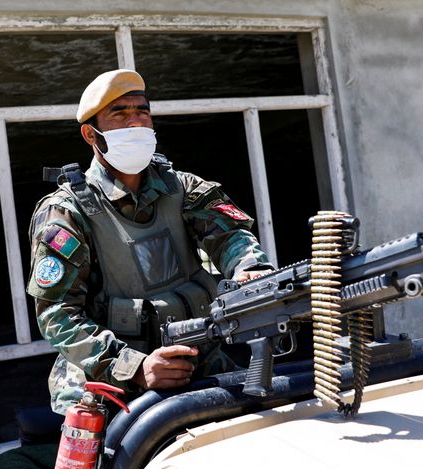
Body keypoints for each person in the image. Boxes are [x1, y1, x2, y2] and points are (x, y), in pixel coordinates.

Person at [27, 69, 273, 415]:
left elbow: (230, 235)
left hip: (196, 362)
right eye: (120, 113)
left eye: (142, 111)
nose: (135, 123)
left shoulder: (181, 187)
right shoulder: (68, 211)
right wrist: (135, 368)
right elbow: (56, 314)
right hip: (108, 385)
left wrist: (252, 269)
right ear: (90, 133)